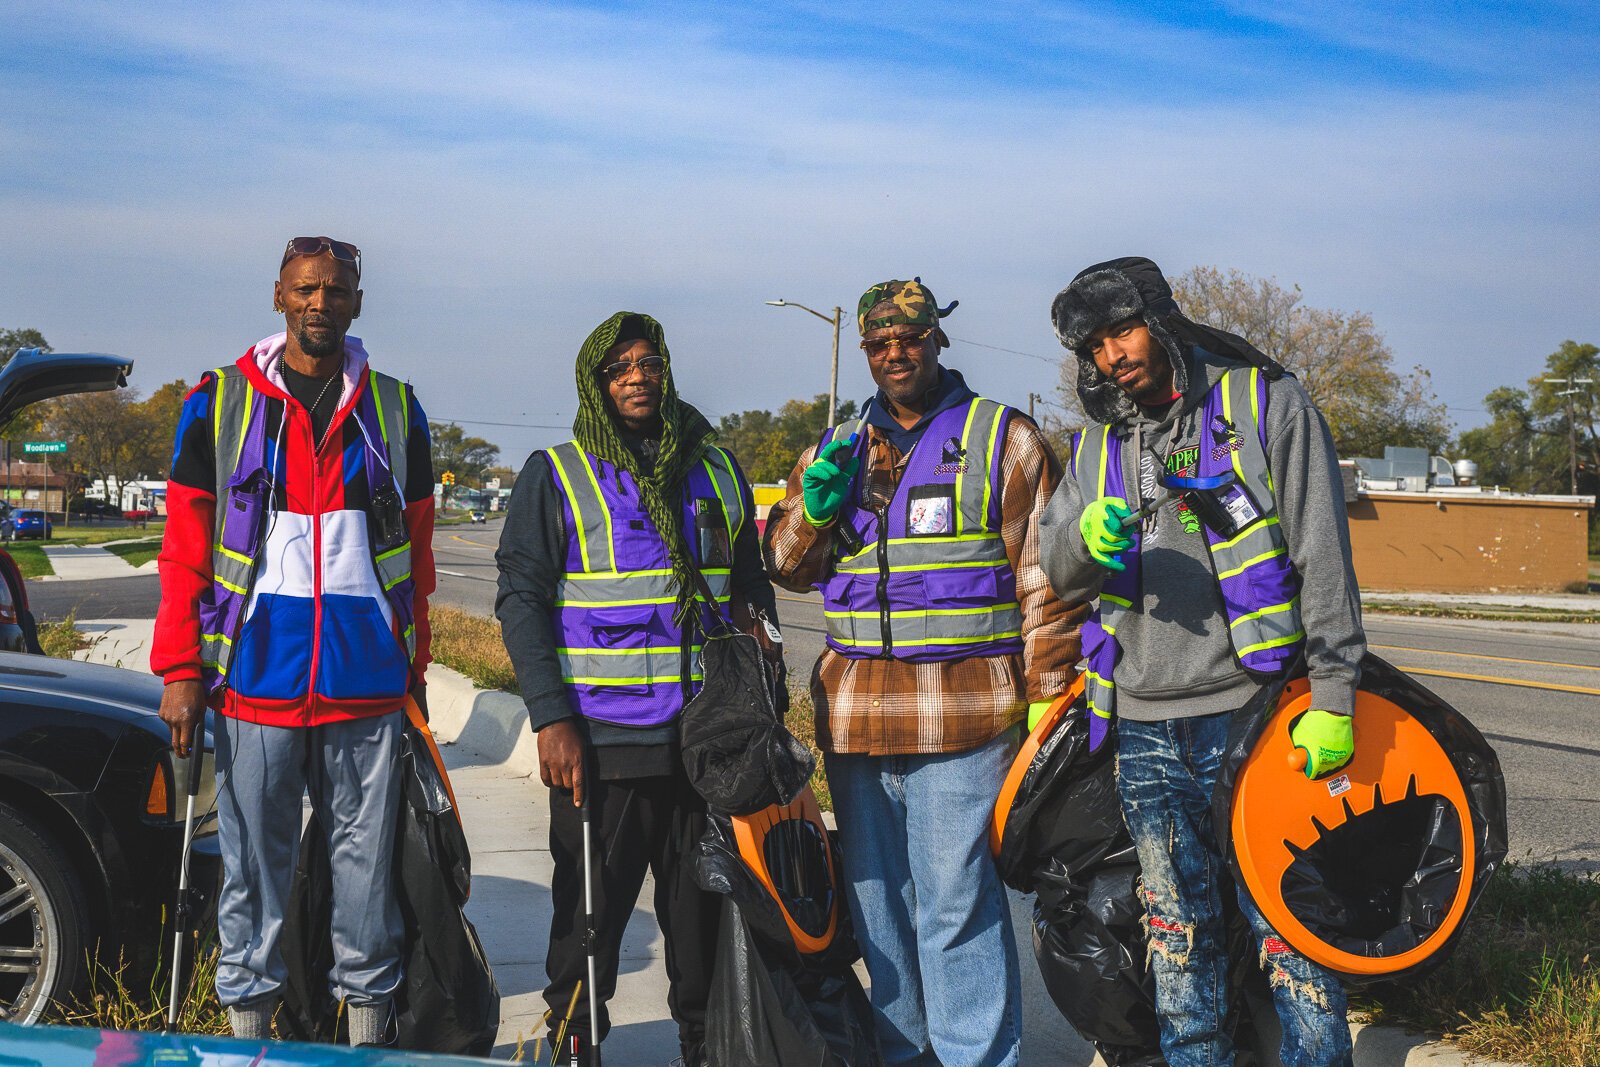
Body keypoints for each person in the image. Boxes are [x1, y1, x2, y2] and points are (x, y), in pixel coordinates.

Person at [1039, 257, 1364, 1067]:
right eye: (1095, 346)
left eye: (1123, 330)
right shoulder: (1095, 447)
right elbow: (1055, 563)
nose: (1112, 355)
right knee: (1179, 944)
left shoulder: (1267, 404)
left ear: (1161, 317)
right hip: (1146, 729)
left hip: (1258, 716)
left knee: (1293, 935)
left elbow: (1323, 557)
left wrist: (1334, 695)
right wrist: (1086, 542)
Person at [764, 279, 1082, 1067]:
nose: (896, 353)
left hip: (965, 720)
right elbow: (788, 566)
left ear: (938, 340)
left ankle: (976, 1058)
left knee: (954, 905)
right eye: (880, 343)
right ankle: (903, 1056)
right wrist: (814, 506)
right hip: (857, 722)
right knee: (879, 910)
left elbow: (1045, 581)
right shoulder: (832, 448)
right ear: (867, 352)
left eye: (910, 337)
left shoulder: (1003, 438)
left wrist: (1047, 701)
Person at [153, 237, 436, 1046]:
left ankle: (366, 1047)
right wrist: (180, 667)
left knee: (367, 888)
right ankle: (249, 1046)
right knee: (251, 884)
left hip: (367, 692)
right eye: (307, 288)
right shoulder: (218, 403)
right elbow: (185, 546)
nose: (321, 303)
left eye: (337, 290)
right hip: (253, 688)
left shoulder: (394, 408)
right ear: (279, 293)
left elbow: (416, 554)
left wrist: (410, 671)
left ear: (357, 300)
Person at [495, 312, 777, 1067]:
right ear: (596, 381)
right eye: (619, 366)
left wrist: (759, 691)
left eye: (648, 362)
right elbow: (521, 600)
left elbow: (749, 590)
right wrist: (551, 719)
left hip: (707, 750)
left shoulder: (716, 468)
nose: (637, 375)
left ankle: (704, 1053)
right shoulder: (558, 473)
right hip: (602, 747)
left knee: (705, 938)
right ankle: (573, 1051)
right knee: (586, 938)